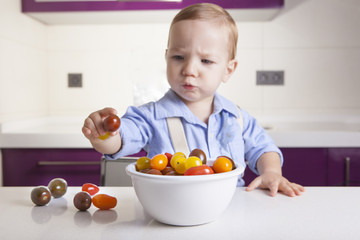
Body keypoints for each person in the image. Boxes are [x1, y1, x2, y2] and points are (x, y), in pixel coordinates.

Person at [82, 3, 305, 197]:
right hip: (170, 211)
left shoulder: (236, 117)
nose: (189, 69)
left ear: (228, 69)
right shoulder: (150, 116)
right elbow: (120, 141)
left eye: (206, 61)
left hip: (229, 208)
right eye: (178, 57)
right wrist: (104, 134)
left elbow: (264, 148)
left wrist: (271, 172)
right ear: (166, 57)